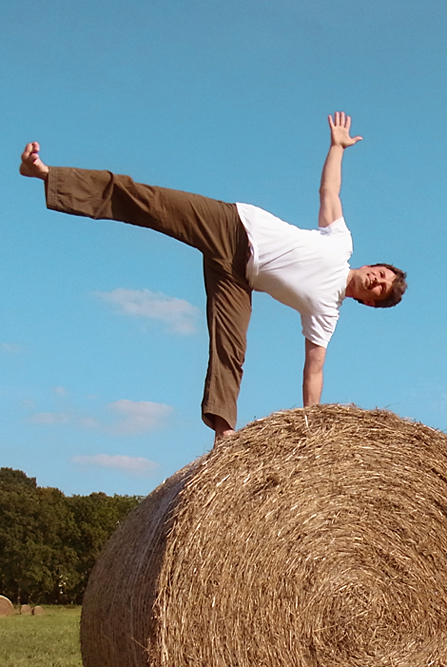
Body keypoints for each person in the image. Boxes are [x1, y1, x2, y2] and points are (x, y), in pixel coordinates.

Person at [20, 112, 407, 444]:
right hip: (232, 226)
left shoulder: (327, 313)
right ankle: (46, 175)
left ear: (369, 302)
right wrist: (337, 147)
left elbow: (314, 369)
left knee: (230, 348)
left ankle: (223, 433)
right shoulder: (341, 242)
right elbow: (329, 192)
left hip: (238, 279)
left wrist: (312, 423)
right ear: (374, 264)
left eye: (380, 287)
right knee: (149, 201)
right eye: (382, 273)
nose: (376, 278)